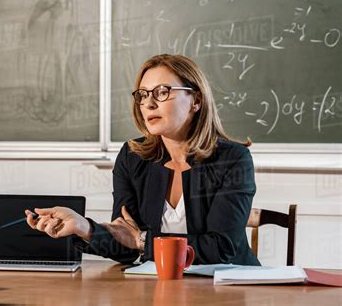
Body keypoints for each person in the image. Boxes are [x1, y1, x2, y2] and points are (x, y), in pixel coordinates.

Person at [25, 54, 260, 266]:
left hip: (227, 287)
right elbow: (125, 248)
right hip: (159, 289)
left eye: (162, 92)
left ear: (195, 100)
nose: (149, 103)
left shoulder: (232, 159)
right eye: (143, 95)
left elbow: (220, 248)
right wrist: (84, 227)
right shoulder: (132, 157)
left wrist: (141, 241)